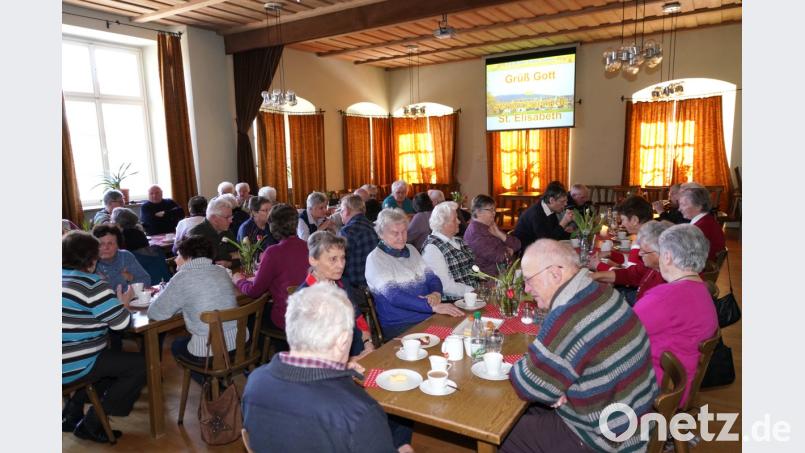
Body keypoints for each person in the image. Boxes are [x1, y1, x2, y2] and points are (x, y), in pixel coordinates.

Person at [502, 239, 658, 453]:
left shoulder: (568, 316)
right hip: (633, 416)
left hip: (607, 439)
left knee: (500, 432)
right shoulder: (601, 291)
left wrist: (546, 383)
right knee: (528, 412)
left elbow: (528, 384)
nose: (527, 289)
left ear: (555, 274)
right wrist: (552, 386)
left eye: (529, 280)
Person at [242, 284, 410, 453]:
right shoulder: (360, 412)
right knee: (405, 430)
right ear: (343, 341)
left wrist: (339, 371)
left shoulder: (254, 382)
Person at [62, 231, 145, 443]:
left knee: (106, 364)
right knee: (140, 365)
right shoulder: (92, 284)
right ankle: (91, 423)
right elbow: (122, 324)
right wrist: (123, 305)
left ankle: (71, 414)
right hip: (71, 363)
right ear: (92, 259)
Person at [633, 224, 719, 407]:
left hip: (659, 389)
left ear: (667, 256)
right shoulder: (701, 289)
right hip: (680, 384)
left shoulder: (664, 298)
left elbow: (621, 331)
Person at [147, 235, 242, 382]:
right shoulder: (221, 271)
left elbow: (155, 313)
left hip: (208, 350)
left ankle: (210, 385)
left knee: (177, 345)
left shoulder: (182, 277)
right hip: (240, 342)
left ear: (188, 257)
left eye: (178, 255)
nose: (175, 259)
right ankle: (217, 383)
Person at [365, 208, 463, 340]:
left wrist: (436, 293)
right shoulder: (376, 259)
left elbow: (432, 278)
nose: (401, 237)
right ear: (381, 234)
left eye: (404, 231)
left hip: (428, 316)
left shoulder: (411, 250)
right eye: (395, 233)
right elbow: (395, 296)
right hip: (401, 325)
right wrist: (431, 306)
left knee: (461, 332)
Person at [296, 231, 373, 358]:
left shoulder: (342, 284)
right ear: (313, 260)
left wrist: (368, 343)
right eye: (333, 259)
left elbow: (358, 318)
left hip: (360, 353)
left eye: (343, 258)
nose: (341, 265)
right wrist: (350, 361)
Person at [233, 203, 308, 333]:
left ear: (272, 226)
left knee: (251, 318)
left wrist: (239, 280)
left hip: (288, 318)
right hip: (310, 315)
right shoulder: (309, 246)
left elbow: (254, 291)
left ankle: (257, 345)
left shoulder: (273, 252)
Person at [592, 220, 672, 304]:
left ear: (663, 253)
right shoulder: (652, 266)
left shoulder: (667, 284)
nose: (640, 254)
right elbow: (630, 274)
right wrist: (596, 275)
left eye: (644, 251)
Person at [421, 201, 479, 299]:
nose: (459, 221)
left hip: (473, 296)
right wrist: (474, 291)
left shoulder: (458, 241)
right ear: (443, 223)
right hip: (454, 301)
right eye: (454, 219)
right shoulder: (432, 249)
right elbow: (445, 286)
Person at [463, 194, 521, 276]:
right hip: (490, 277)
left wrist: (500, 234)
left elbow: (517, 244)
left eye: (494, 209)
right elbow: (500, 257)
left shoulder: (490, 225)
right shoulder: (475, 233)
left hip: (505, 271)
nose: (494, 213)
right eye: (490, 210)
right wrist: (509, 251)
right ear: (478, 212)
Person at [512, 181, 573, 248]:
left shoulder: (550, 209)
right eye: (562, 201)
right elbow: (547, 242)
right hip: (526, 250)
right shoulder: (536, 214)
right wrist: (564, 222)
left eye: (566, 201)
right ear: (552, 200)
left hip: (539, 247)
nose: (565, 204)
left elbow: (554, 233)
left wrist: (570, 233)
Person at [92, 224, 150, 292]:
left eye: (110, 243)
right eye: (101, 244)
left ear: (118, 245)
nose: (106, 248)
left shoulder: (125, 256)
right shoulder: (90, 262)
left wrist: (117, 289)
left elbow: (146, 280)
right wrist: (123, 279)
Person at [339, 194, 379, 288]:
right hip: (374, 282)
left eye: (341, 211)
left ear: (347, 211)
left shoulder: (348, 231)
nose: (340, 214)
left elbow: (339, 262)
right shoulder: (375, 227)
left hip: (355, 286)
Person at [187, 196, 239, 267]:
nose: (231, 221)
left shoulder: (226, 231)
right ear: (214, 219)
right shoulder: (195, 235)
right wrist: (230, 256)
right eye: (227, 217)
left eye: (231, 217)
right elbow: (201, 264)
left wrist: (230, 263)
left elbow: (241, 256)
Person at [679, 187, 726, 261]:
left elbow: (687, 253)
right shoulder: (707, 220)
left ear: (698, 206)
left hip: (702, 265)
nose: (679, 209)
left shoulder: (700, 227)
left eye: (683, 204)